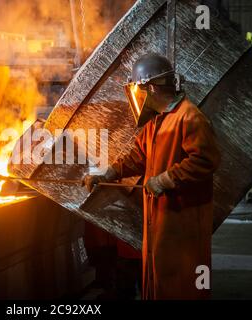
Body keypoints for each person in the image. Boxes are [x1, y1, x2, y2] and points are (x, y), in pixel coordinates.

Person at [82, 53, 221, 300]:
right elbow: (137, 157)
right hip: (160, 218)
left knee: (182, 282)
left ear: (152, 88)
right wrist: (108, 172)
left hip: (183, 220)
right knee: (158, 278)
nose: (137, 97)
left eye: (139, 90)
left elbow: (205, 160)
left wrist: (164, 180)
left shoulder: (189, 117)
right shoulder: (156, 122)